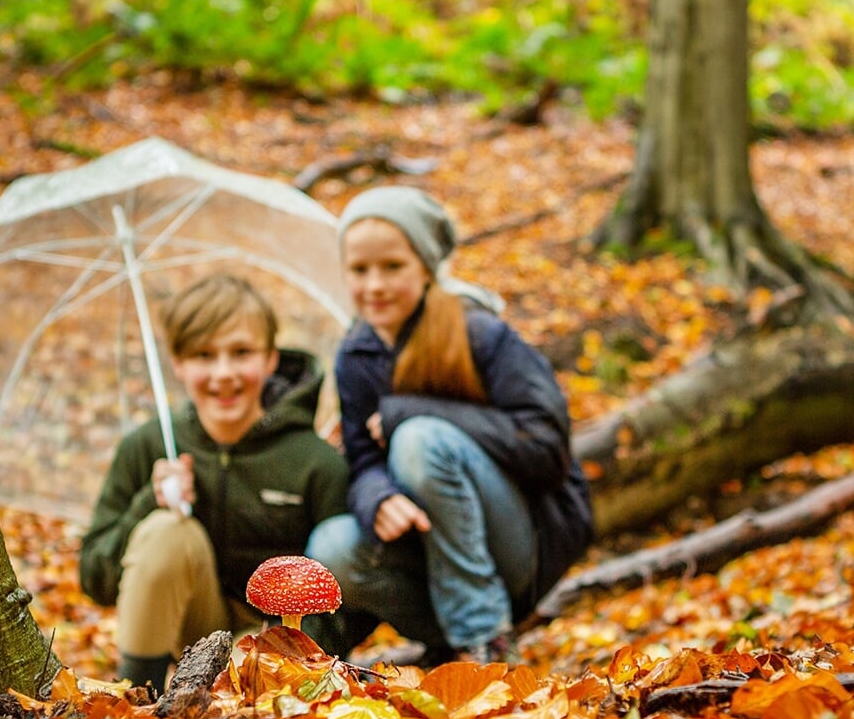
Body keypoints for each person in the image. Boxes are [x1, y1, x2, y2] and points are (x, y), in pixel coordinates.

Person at [306, 187, 593, 663]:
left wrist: (409, 412)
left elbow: (546, 447)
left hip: (524, 541)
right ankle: (450, 642)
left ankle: (488, 646)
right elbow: (362, 459)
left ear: (425, 266)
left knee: (419, 440)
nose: (374, 285)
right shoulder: (356, 354)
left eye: (392, 267)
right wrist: (379, 497)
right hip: (431, 551)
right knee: (331, 546)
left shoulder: (478, 332)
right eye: (360, 270)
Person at [79, 274, 361, 688]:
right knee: (165, 531)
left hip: (276, 646)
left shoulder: (315, 463)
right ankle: (140, 697)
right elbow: (96, 581)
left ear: (270, 359)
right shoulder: (149, 446)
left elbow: (346, 598)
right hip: (191, 631)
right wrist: (150, 502)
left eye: (241, 352)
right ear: (177, 362)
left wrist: (291, 655)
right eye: (204, 355)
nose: (223, 373)